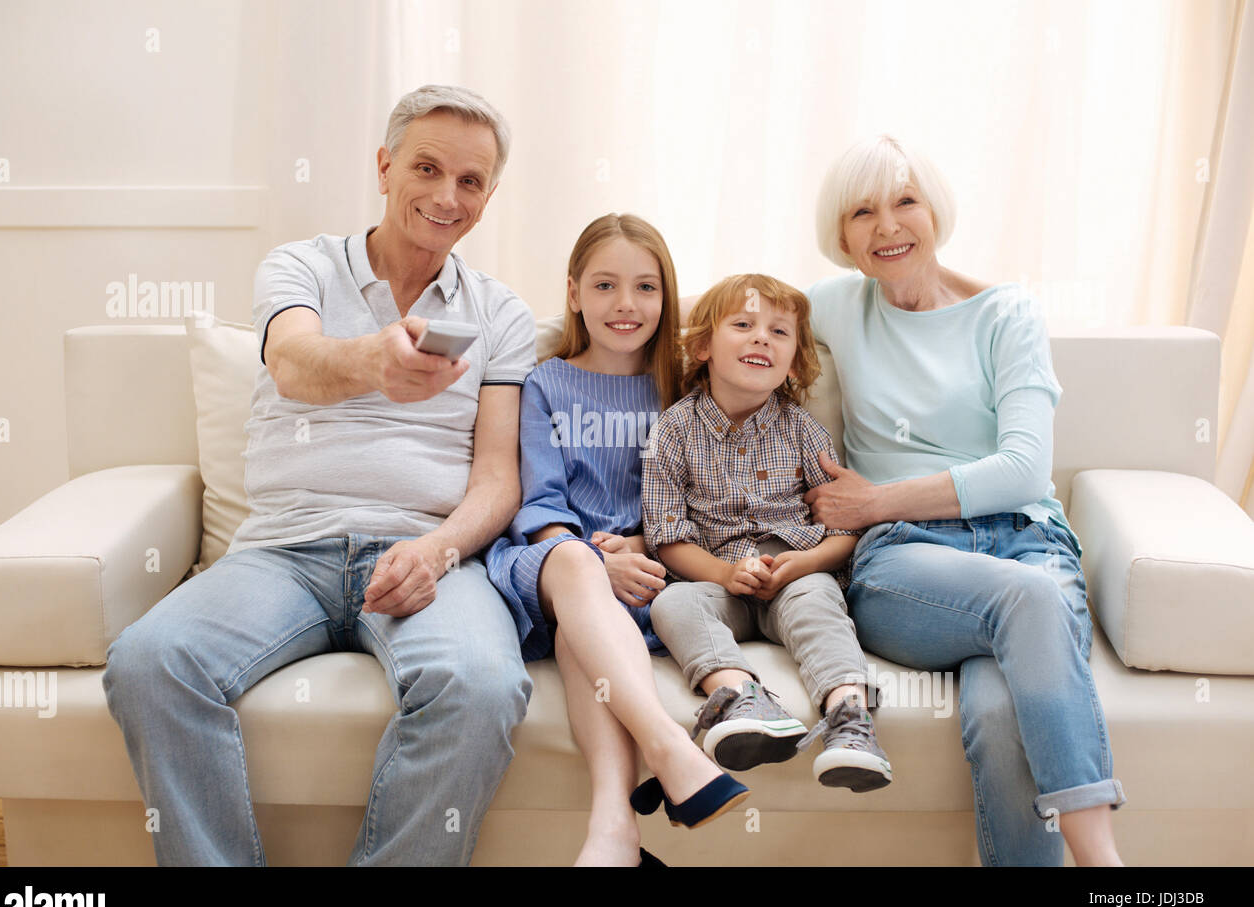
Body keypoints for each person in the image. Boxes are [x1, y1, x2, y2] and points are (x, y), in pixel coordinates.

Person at [103, 85, 537, 866]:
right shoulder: (300, 264)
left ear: (489, 195)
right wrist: (375, 360)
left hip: (426, 558)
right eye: (427, 168)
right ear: (384, 166)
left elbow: (498, 479)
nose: (446, 196)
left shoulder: (501, 313)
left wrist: (439, 550)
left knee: (481, 686)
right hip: (281, 553)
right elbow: (294, 363)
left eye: (470, 182)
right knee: (149, 661)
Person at [802, 134, 1126, 865]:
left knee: (1000, 713)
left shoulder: (1006, 315)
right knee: (1029, 603)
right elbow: (716, 320)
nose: (887, 227)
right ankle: (1107, 870)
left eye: (905, 202)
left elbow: (1020, 471)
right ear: (841, 235)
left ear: (935, 210)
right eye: (863, 212)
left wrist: (875, 498)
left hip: (1025, 542)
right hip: (910, 564)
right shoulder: (832, 308)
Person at [485, 213, 748, 866]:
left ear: (668, 298)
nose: (625, 305)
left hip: (643, 575)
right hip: (553, 560)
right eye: (604, 286)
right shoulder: (545, 383)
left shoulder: (682, 393)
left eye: (644, 288)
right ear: (573, 294)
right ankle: (668, 748)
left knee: (587, 629)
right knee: (576, 567)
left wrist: (644, 548)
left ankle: (614, 832)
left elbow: (699, 502)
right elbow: (541, 504)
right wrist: (595, 556)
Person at [644, 274, 893, 793]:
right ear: (704, 346)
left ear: (793, 361)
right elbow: (665, 536)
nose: (762, 338)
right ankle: (741, 697)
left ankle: (849, 720)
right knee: (672, 605)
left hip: (795, 572)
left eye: (780, 332)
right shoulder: (673, 429)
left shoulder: (803, 429)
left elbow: (846, 525)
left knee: (818, 604)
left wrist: (807, 564)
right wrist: (724, 573)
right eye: (743, 324)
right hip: (719, 581)